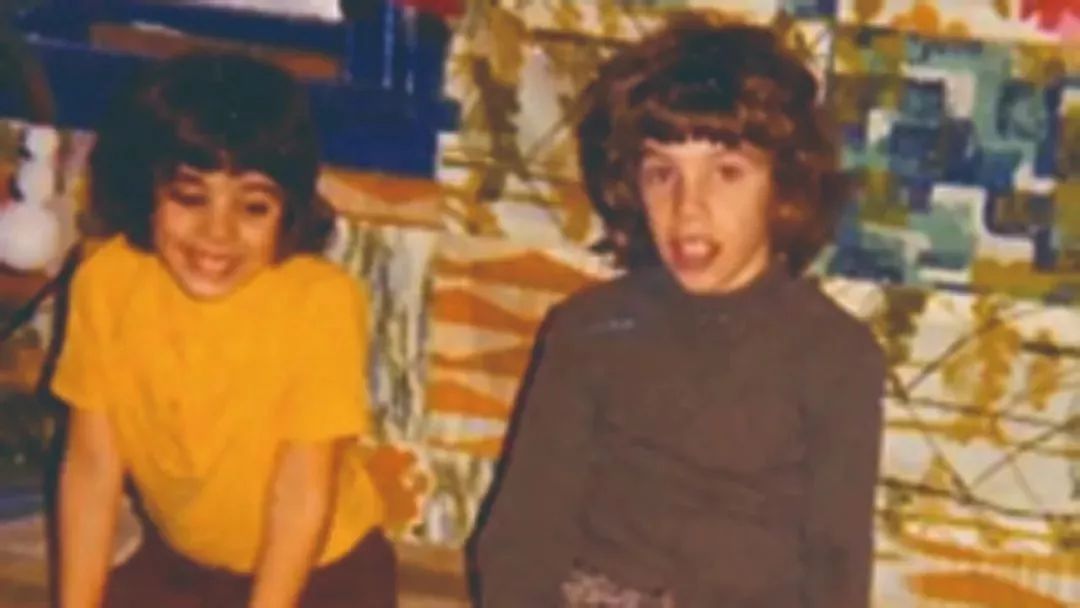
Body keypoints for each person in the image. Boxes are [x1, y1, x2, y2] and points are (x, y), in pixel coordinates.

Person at [472, 13, 886, 608]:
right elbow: (520, 540)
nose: (688, 209)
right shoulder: (589, 330)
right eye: (662, 173)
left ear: (784, 186)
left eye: (727, 173)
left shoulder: (837, 357)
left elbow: (836, 570)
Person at [51, 52, 395, 607]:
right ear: (146, 191)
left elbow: (302, 493)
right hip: (182, 559)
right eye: (190, 198)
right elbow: (92, 469)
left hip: (319, 566)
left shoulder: (320, 301)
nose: (218, 233)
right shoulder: (105, 281)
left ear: (289, 211)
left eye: (254, 208)